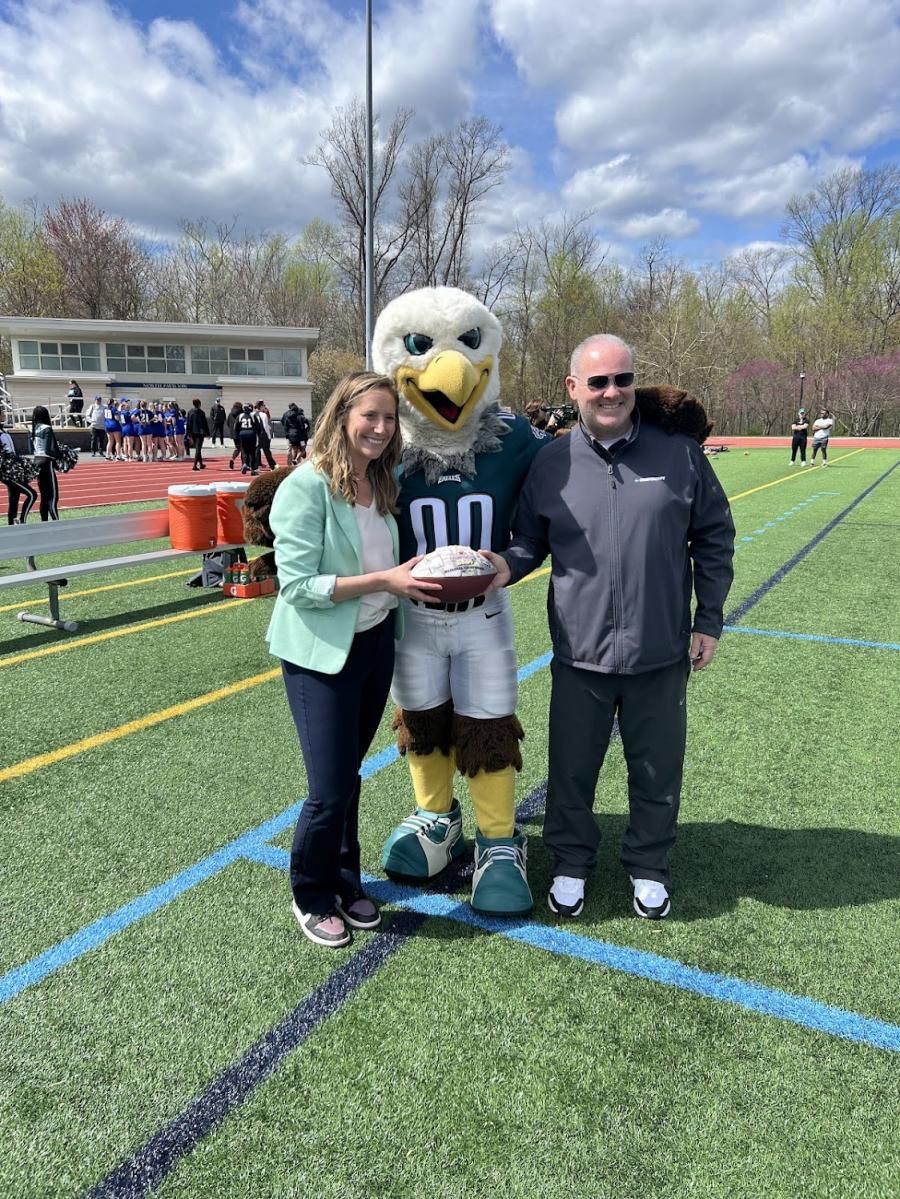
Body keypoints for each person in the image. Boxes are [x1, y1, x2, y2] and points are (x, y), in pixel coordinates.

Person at [484, 335, 735, 921]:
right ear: (574, 390)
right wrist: (503, 565)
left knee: (656, 768)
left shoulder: (679, 454)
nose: (611, 392)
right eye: (597, 382)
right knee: (572, 769)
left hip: (661, 649)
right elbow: (528, 542)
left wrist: (709, 620)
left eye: (621, 379)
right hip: (580, 652)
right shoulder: (551, 461)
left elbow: (715, 538)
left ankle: (649, 865)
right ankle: (570, 862)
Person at [265, 372, 441, 948]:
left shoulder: (380, 484)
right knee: (328, 787)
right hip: (321, 654)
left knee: (349, 777)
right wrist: (385, 580)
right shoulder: (306, 486)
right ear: (342, 416)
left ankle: (344, 878)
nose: (381, 428)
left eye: (389, 419)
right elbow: (297, 586)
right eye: (370, 416)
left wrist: (406, 586)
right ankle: (311, 893)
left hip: (373, 644)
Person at [29, 405, 62, 520]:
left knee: (44, 495)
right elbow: (48, 450)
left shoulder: (32, 428)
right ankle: (55, 522)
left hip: (36, 462)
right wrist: (59, 455)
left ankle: (44, 522)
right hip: (46, 462)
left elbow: (30, 449)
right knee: (53, 496)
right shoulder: (47, 428)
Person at [1, 420, 36, 524]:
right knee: (31, 494)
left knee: (13, 499)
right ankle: (22, 521)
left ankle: (11, 527)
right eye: (1, 413)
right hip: (5, 472)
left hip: (13, 470)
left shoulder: (4, 430)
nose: (3, 414)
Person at [236, 404, 261, 475]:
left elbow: (236, 427)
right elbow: (258, 426)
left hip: (242, 434)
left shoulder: (240, 416)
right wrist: (258, 434)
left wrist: (238, 435)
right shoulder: (253, 416)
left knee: (244, 451)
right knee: (252, 452)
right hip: (251, 434)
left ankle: (245, 464)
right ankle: (253, 469)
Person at [186, 398, 210, 470]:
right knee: (198, 449)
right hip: (200, 433)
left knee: (197, 448)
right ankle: (195, 465)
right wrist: (207, 433)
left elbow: (188, 423)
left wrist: (188, 433)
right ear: (199, 404)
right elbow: (204, 424)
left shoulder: (190, 412)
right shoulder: (201, 413)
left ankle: (201, 464)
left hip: (192, 432)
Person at [254, 401, 277, 470]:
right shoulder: (263, 415)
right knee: (267, 451)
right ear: (260, 406)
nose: (265, 407)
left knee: (257, 449)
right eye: (263, 405)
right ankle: (273, 465)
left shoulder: (253, 414)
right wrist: (269, 435)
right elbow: (265, 426)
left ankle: (257, 465)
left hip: (255, 434)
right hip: (263, 434)